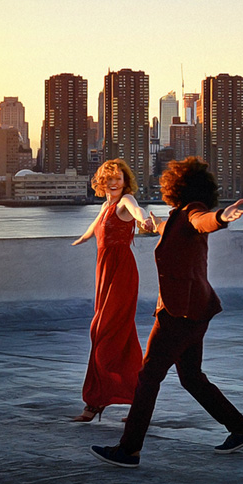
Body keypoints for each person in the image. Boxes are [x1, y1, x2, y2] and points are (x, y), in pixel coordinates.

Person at [91, 156, 243, 467]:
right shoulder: (178, 216)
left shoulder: (192, 211)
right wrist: (153, 225)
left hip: (178, 313)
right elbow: (173, 228)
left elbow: (202, 221)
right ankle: (240, 428)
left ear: (176, 185)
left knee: (148, 377)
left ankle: (128, 449)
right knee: (191, 377)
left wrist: (221, 217)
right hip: (196, 309)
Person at [70, 158, 152, 422]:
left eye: (118, 178)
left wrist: (144, 222)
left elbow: (137, 211)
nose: (114, 183)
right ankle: (102, 401)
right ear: (101, 183)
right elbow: (96, 226)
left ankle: (99, 401)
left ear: (125, 181)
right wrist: (83, 237)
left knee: (104, 335)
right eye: (109, 179)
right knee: (114, 337)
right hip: (103, 274)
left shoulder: (127, 201)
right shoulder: (107, 206)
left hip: (121, 274)